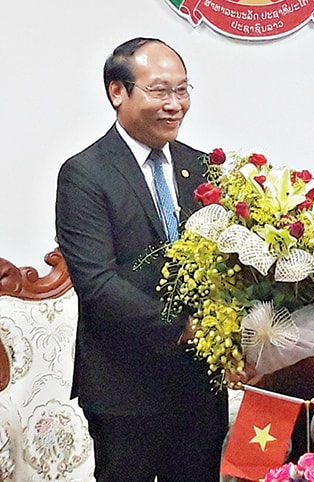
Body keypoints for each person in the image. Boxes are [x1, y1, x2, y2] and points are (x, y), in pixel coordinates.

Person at [55, 37, 227, 481]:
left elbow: (225, 264)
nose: (175, 104)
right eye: (160, 91)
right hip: (124, 388)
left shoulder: (202, 167)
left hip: (198, 387)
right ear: (118, 91)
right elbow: (98, 284)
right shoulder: (85, 173)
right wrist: (185, 329)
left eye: (183, 90)